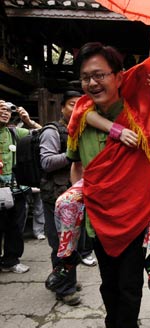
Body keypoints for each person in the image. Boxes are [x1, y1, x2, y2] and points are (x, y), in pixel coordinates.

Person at [66, 42, 150, 328]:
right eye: (85, 77)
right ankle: (114, 327)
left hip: (133, 220)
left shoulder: (137, 114)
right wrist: (76, 199)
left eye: (99, 75)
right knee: (108, 283)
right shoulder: (82, 117)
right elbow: (76, 164)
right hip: (97, 218)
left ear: (120, 77)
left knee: (129, 284)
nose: (92, 83)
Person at [40, 89, 87, 306]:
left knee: (73, 242)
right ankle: (65, 288)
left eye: (80, 103)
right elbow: (47, 162)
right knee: (59, 242)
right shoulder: (52, 131)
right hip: (55, 195)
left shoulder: (81, 128)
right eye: (71, 103)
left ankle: (67, 279)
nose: (76, 107)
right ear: (62, 107)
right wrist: (72, 153)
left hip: (76, 196)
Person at [0, 100, 41, 273]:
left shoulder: (14, 132)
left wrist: (28, 121)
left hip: (14, 188)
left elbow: (44, 134)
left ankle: (11, 260)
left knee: (15, 226)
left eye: (8, 110)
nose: (5, 112)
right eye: (0, 109)